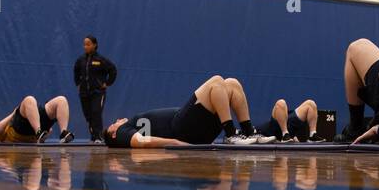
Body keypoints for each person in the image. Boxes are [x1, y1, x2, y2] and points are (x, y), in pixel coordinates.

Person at [104, 75, 275, 148]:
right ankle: (231, 135)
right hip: (181, 129)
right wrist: (175, 143)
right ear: (112, 133)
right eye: (113, 124)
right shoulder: (121, 132)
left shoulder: (127, 127)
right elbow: (142, 141)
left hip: (194, 128)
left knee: (231, 83)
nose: (117, 120)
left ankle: (248, 132)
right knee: (216, 80)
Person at [73, 35, 117, 142]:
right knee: (88, 115)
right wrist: (78, 83)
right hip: (84, 93)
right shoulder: (81, 60)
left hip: (98, 92)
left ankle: (98, 136)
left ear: (94, 45)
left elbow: (113, 70)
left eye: (88, 44)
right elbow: (76, 71)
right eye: (84, 44)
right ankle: (93, 135)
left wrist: (107, 83)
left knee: (96, 112)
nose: (85, 47)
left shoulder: (101, 60)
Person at [0, 94, 75, 144]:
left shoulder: (3, 134)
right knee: (29, 99)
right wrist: (15, 113)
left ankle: (63, 133)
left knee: (61, 100)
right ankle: (38, 131)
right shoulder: (4, 139)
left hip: (32, 124)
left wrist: (14, 113)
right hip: (22, 129)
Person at [258, 98, 326, 143]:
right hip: (275, 129)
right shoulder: (259, 130)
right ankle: (285, 134)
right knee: (281, 102)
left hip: (289, 127)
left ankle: (312, 135)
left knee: (311, 103)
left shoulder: (288, 117)